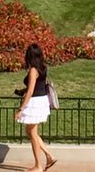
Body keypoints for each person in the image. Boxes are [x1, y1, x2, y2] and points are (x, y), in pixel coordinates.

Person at [14, 43, 57, 172]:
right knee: (30, 132)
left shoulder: (33, 70)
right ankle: (49, 156)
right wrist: (23, 91)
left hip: (35, 102)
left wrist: (21, 109)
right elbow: (38, 85)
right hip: (41, 100)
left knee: (32, 134)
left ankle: (38, 165)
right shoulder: (43, 67)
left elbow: (31, 91)